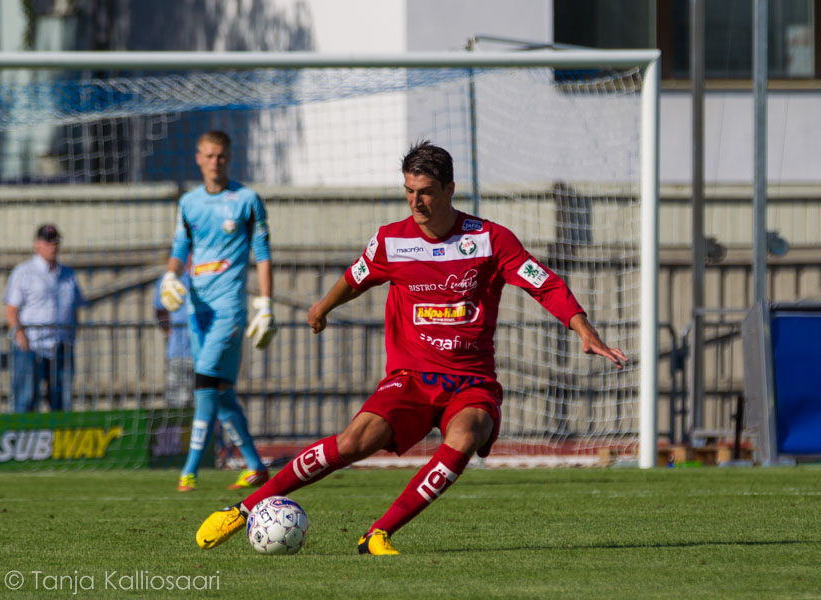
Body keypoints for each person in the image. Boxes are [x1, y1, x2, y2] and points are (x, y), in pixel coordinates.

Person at [195, 141, 627, 555]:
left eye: (424, 193)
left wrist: (583, 329)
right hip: (411, 377)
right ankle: (243, 510)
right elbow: (356, 276)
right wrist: (321, 307)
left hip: (471, 381)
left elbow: (544, 283)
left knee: (467, 433)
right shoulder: (391, 240)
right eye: (408, 192)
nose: (415, 203)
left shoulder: (490, 239)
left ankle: (378, 533)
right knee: (353, 442)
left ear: (449, 190)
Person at [161, 130, 277, 493]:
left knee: (204, 380)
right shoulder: (189, 203)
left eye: (221, 156)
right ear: (199, 158)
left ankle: (190, 469)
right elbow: (180, 248)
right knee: (222, 391)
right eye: (209, 156)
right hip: (198, 309)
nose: (215, 163)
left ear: (230, 158)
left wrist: (266, 304)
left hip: (229, 307)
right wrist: (169, 276)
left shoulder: (247, 200)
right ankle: (256, 467)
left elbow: (263, 254)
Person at [3, 224, 85, 413]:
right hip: (32, 346)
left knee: (62, 401)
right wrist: (20, 336)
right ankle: (24, 439)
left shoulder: (68, 274)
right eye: (48, 242)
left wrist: (72, 335)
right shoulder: (24, 272)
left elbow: (75, 307)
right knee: (26, 399)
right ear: (37, 245)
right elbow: (11, 309)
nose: (52, 246)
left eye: (55, 242)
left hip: (61, 346)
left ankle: (59, 440)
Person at [154, 255, 194, 407]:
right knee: (175, 398)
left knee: (194, 397)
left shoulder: (204, 278)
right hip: (177, 351)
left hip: (201, 352)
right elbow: (159, 310)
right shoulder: (168, 281)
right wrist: (169, 331)